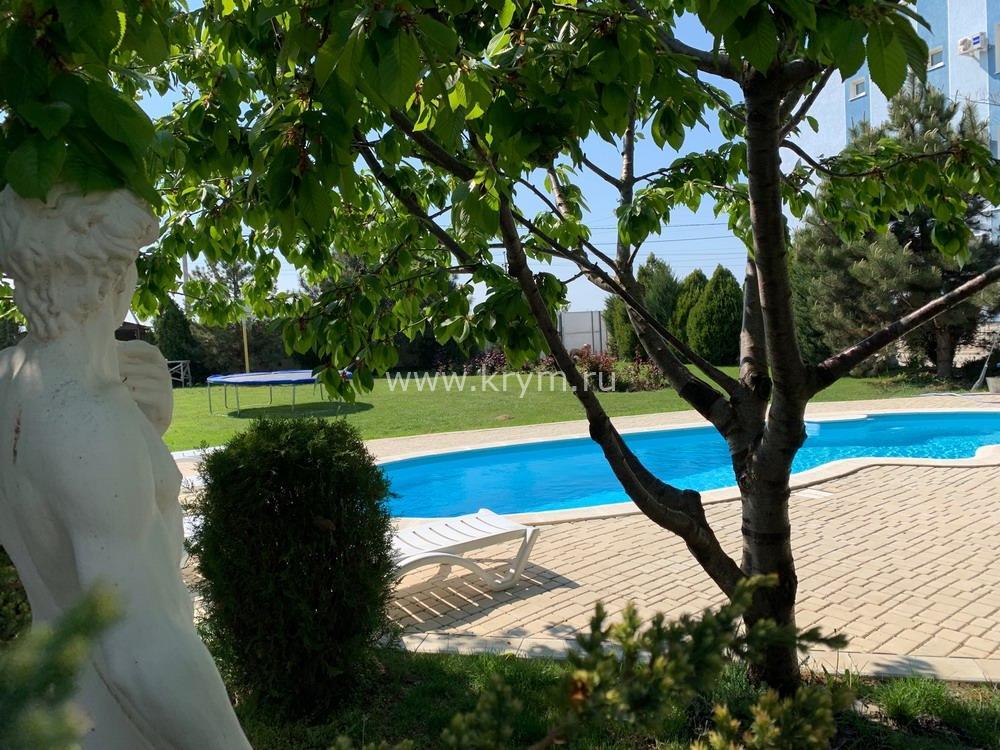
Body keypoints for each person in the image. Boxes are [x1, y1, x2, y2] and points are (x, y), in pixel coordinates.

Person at [0, 186, 252, 749]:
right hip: (120, 725)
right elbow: (142, 650)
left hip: (57, 702)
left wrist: (144, 430)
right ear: (110, 276)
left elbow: (56, 500)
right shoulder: (87, 419)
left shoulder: (12, 381)